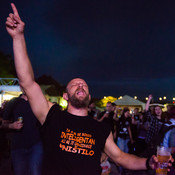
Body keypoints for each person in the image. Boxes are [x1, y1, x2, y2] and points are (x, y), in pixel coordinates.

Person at [5, 3, 173, 175]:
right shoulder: (52, 114)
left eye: (84, 85)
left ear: (89, 95)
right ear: (65, 96)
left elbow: (120, 158)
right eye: (75, 84)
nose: (80, 85)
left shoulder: (100, 128)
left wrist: (148, 162)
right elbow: (28, 83)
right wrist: (18, 37)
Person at [2, 93, 43, 175]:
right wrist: (11, 126)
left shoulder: (38, 102)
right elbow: (3, 124)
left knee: (35, 172)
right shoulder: (14, 102)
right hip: (18, 146)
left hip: (36, 144)